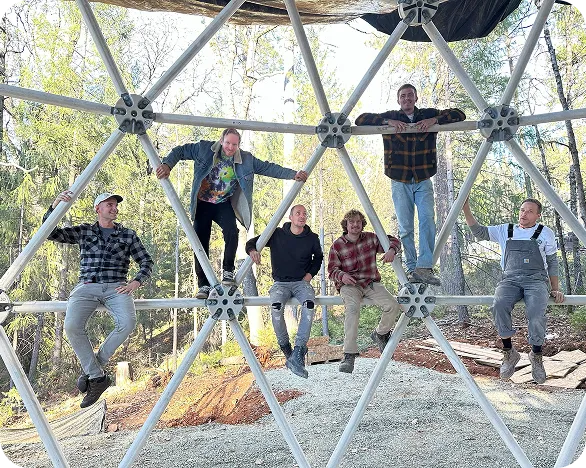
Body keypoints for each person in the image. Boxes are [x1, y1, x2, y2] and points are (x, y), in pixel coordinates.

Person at [156, 128, 308, 299]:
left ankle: (228, 270)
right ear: (221, 140)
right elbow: (181, 151)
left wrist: (293, 174)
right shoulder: (204, 148)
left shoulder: (246, 159)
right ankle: (203, 285)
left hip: (223, 203)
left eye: (234, 144)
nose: (230, 147)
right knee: (199, 240)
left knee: (232, 231)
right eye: (227, 143)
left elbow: (268, 168)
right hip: (203, 203)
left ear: (238, 145)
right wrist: (167, 164)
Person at [43, 191, 153, 407]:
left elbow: (146, 262)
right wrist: (55, 203)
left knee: (128, 323)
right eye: (109, 205)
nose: (114, 208)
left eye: (115, 205)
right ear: (98, 209)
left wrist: (135, 282)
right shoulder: (84, 231)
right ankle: (96, 376)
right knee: (72, 326)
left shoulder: (128, 235)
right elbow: (50, 233)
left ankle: (93, 371)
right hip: (87, 286)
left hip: (116, 287)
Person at [355, 84, 466, 286]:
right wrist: (388, 122)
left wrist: (435, 120)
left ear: (415, 98)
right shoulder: (391, 116)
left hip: (423, 178)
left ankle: (424, 267)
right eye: (403, 96)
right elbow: (361, 119)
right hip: (399, 179)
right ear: (398, 100)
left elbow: (460, 114)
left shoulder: (428, 114)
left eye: (410, 96)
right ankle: (411, 267)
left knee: (427, 220)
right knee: (405, 226)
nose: (406, 99)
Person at [462, 197, 564, 384]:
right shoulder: (505, 230)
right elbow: (479, 232)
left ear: (538, 216)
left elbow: (552, 262)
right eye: (522, 210)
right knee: (499, 304)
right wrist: (466, 209)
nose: (524, 214)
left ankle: (536, 355)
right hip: (510, 279)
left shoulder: (545, 233)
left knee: (535, 312)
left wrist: (555, 288)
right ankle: (509, 353)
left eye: (529, 211)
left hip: (536, 281)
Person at [245, 204, 323, 378]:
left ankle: (299, 350)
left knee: (309, 304)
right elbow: (251, 243)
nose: (302, 216)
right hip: (280, 283)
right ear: (290, 217)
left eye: (305, 213)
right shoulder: (276, 234)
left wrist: (309, 275)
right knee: (275, 308)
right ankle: (287, 350)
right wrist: (252, 251)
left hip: (301, 283)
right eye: (298, 213)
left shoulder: (312, 238)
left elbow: (318, 258)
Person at [327, 209, 403, 373]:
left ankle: (380, 333)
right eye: (351, 222)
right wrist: (342, 276)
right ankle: (349, 354)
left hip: (370, 282)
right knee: (353, 309)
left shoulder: (371, 238)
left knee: (393, 305)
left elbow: (394, 241)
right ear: (345, 225)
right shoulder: (337, 245)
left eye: (358, 222)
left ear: (362, 224)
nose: (355, 225)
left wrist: (391, 250)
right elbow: (332, 270)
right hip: (350, 285)